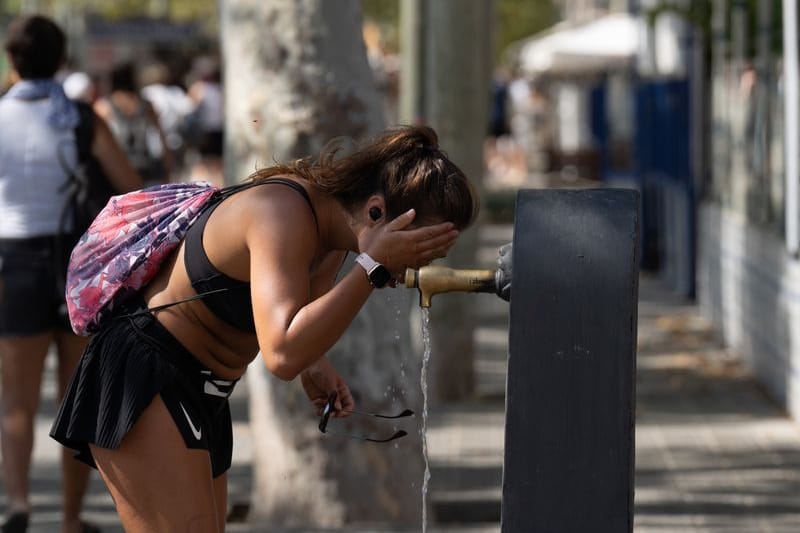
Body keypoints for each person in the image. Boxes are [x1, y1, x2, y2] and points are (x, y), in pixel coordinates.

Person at [51, 124, 478, 532]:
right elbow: (281, 354)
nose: (417, 266)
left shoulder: (335, 233)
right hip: (146, 377)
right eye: (417, 247)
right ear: (376, 210)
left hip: (205, 390)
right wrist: (371, 267)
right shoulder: (283, 212)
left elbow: (294, 318)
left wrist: (317, 364)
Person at [0, 15, 143, 533]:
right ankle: (71, 518)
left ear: (12, 59)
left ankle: (17, 504)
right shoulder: (81, 119)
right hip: (73, 267)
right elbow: (128, 190)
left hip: (11, 264)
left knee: (15, 402)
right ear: (62, 60)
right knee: (74, 400)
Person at [94, 62, 172, 186]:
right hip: (148, 166)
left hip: (121, 167)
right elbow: (160, 136)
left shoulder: (105, 107)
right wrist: (168, 164)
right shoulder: (146, 105)